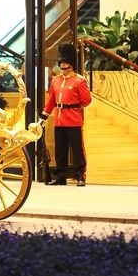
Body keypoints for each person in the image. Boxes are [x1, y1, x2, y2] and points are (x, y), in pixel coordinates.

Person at [40, 43, 92, 186]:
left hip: (74, 120)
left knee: (77, 151)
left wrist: (75, 104)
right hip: (59, 120)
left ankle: (80, 176)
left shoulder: (79, 81)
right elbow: (51, 102)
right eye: (61, 62)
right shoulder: (56, 81)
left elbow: (86, 100)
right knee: (60, 151)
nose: (63, 65)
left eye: (65, 62)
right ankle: (60, 177)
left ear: (71, 63)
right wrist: (43, 117)